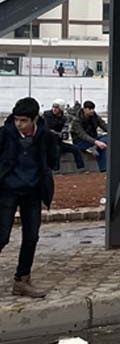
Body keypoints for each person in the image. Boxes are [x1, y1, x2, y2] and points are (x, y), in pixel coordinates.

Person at [0, 97, 57, 297]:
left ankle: (22, 280)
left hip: (33, 192)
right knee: (2, 236)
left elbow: (52, 160)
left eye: (24, 120)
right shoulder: (5, 134)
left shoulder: (45, 136)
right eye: (16, 120)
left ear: (34, 119)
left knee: (31, 237)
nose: (19, 124)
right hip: (7, 192)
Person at [44, 100, 83, 172]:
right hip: (48, 143)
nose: (54, 109)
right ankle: (55, 170)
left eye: (57, 107)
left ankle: (81, 168)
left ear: (61, 109)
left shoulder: (64, 118)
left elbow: (65, 132)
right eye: (53, 107)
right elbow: (46, 129)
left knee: (75, 148)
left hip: (58, 141)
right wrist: (57, 133)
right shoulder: (46, 115)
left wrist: (63, 134)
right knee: (56, 150)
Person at [70, 101, 108, 173]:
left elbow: (104, 125)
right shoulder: (77, 120)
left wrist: (115, 133)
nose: (92, 111)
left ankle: (103, 170)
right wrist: (96, 142)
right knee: (100, 145)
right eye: (89, 109)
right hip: (80, 142)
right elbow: (82, 135)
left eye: (93, 109)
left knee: (106, 140)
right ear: (84, 109)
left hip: (93, 140)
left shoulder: (95, 117)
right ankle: (93, 148)